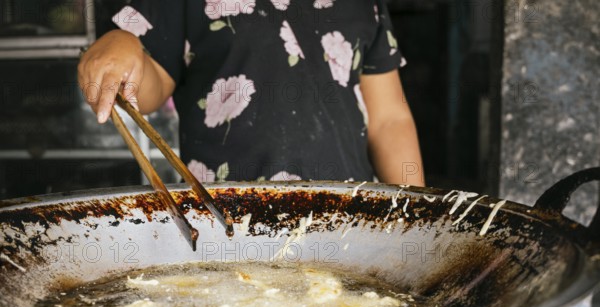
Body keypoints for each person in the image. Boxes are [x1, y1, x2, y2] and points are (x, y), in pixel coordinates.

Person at [78, 0, 424, 185]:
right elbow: (151, 90)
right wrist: (123, 45)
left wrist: (419, 216)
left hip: (352, 218)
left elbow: (389, 120)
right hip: (228, 225)